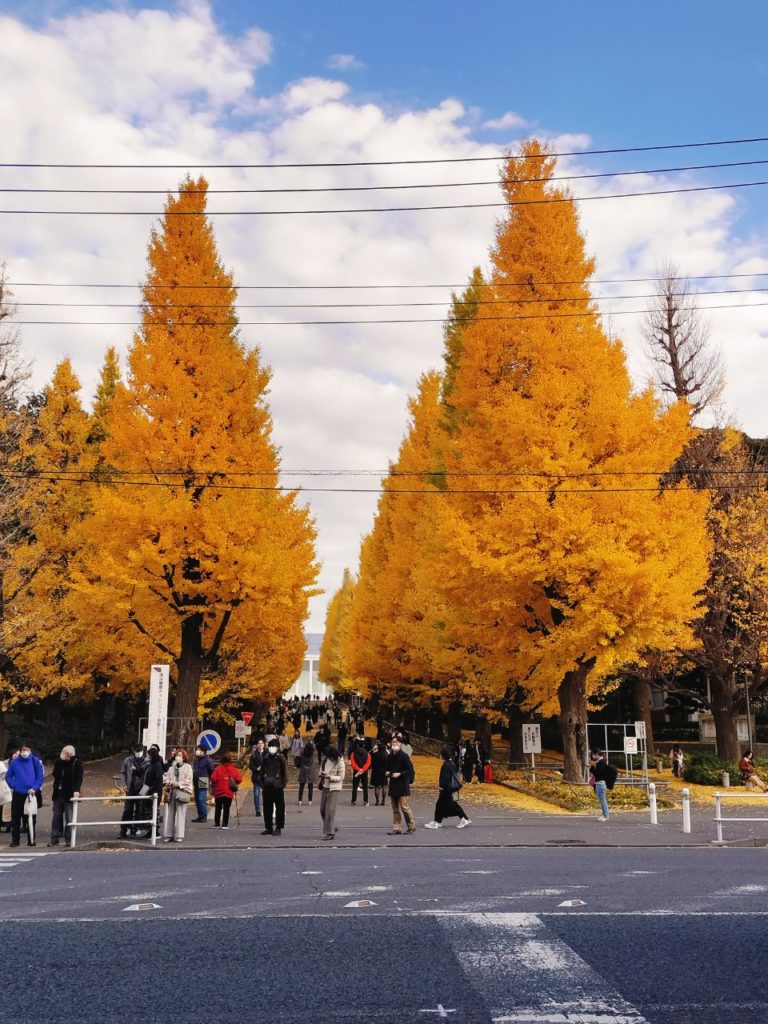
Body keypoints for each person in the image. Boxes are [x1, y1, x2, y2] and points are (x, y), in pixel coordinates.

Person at [6, 743, 44, 847]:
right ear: (20, 751)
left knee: (31, 818)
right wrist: (14, 785)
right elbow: (8, 776)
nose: (25, 752)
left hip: (31, 794)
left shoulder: (34, 761)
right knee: (15, 818)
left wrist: (35, 788)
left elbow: (39, 776)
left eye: (27, 749)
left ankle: (31, 840)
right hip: (18, 793)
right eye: (23, 750)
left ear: (30, 750)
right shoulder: (14, 762)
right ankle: (15, 840)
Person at [424, 748, 471, 830]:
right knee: (443, 805)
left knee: (448, 805)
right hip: (451, 788)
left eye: (440, 754)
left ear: (443, 756)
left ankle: (463, 819)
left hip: (446, 789)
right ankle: (438, 821)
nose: (439, 756)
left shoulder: (445, 765)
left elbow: (445, 778)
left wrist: (441, 787)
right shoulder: (451, 763)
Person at [48, 745, 83, 847]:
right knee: (56, 816)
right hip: (58, 793)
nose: (63, 754)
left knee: (69, 817)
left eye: (65, 752)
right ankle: (54, 838)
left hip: (69, 793)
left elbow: (78, 778)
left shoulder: (76, 763)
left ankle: (69, 839)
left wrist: (76, 790)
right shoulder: (59, 762)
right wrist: (60, 762)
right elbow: (55, 774)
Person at [386, 736, 416, 835]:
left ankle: (411, 826)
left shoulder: (404, 756)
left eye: (395, 742)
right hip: (394, 784)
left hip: (403, 784)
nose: (393, 744)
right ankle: (397, 827)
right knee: (395, 808)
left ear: (399, 743)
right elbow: (389, 767)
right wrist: (388, 772)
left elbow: (409, 770)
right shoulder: (390, 756)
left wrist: (400, 774)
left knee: (404, 807)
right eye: (392, 742)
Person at [162, 748, 194, 843]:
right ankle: (169, 835)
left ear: (184, 757)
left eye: (180, 755)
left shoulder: (187, 767)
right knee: (170, 814)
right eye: (176, 755)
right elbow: (166, 778)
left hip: (182, 792)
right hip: (172, 792)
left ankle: (180, 835)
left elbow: (188, 780)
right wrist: (169, 782)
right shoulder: (172, 768)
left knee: (181, 814)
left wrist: (178, 784)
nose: (177, 757)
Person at [135, 746, 165, 838]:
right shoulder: (150, 765)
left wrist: (152, 792)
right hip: (148, 790)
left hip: (153, 792)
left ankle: (155, 832)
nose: (146, 757)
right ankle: (150, 831)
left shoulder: (157, 766)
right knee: (148, 811)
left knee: (153, 812)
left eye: (148, 755)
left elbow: (157, 781)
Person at [119, 745, 148, 837]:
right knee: (128, 809)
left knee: (139, 808)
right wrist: (124, 784)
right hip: (130, 787)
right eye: (137, 751)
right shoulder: (128, 760)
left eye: (140, 751)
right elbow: (123, 772)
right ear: (133, 751)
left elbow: (147, 775)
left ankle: (135, 828)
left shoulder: (146, 761)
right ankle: (124, 829)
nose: (138, 753)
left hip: (141, 788)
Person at [260, 739, 287, 836]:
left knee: (280, 808)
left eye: (274, 747)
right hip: (267, 787)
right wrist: (262, 784)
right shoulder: (265, 758)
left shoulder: (281, 758)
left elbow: (285, 773)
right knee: (267, 808)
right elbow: (262, 772)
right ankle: (268, 827)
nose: (272, 749)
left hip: (278, 787)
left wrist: (282, 785)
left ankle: (278, 827)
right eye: (270, 746)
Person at [319, 744, 345, 840]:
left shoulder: (340, 762)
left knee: (330, 810)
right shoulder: (325, 758)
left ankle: (330, 833)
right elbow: (321, 768)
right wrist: (321, 774)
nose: (328, 758)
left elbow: (341, 777)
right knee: (322, 809)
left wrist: (329, 776)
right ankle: (331, 826)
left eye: (330, 757)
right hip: (325, 786)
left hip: (334, 787)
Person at [210, 754, 243, 829]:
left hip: (219, 791)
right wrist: (234, 782)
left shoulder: (218, 769)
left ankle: (217, 824)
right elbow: (239, 779)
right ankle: (225, 824)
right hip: (229, 792)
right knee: (226, 808)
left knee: (218, 808)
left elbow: (213, 779)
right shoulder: (233, 769)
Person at [590, 750, 616, 822]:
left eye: (593, 755)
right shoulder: (600, 762)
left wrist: (593, 766)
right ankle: (604, 814)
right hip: (599, 783)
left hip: (600, 784)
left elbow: (598, 774)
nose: (593, 757)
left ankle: (606, 815)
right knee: (601, 800)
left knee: (603, 800)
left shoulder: (601, 762)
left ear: (597, 754)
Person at [192, 745, 216, 822]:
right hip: (196, 780)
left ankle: (204, 816)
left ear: (203, 751)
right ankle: (200, 816)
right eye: (197, 749)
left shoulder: (208, 760)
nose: (198, 751)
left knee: (201, 798)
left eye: (199, 750)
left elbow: (212, 770)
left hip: (203, 779)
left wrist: (210, 779)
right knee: (197, 799)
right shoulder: (196, 760)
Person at [350, 740, 371, 806]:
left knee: (355, 787)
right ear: (364, 745)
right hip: (364, 773)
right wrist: (363, 770)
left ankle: (353, 800)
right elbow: (368, 763)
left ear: (357, 745)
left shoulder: (353, 753)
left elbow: (352, 763)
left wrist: (358, 769)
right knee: (365, 787)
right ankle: (366, 801)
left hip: (356, 772)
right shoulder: (367, 754)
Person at [298, 740, 319, 806]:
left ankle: (300, 800)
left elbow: (300, 757)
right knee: (310, 786)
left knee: (301, 786)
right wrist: (311, 744)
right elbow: (314, 749)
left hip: (303, 770)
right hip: (310, 771)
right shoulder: (312, 754)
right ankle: (310, 801)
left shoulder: (302, 752)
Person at [249, 739, 266, 817]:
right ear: (257, 745)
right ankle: (258, 810)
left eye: (261, 743)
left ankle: (267, 809)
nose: (260, 744)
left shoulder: (267, 753)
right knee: (256, 794)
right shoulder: (254, 755)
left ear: (264, 744)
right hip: (256, 777)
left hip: (265, 777)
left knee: (266, 794)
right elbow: (250, 766)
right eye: (258, 743)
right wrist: (256, 768)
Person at [370, 739, 389, 807]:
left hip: (376, 771)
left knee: (377, 787)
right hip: (384, 772)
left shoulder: (375, 754)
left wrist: (373, 750)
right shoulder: (386, 755)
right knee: (384, 786)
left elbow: (371, 761)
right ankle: (383, 800)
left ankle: (377, 801)